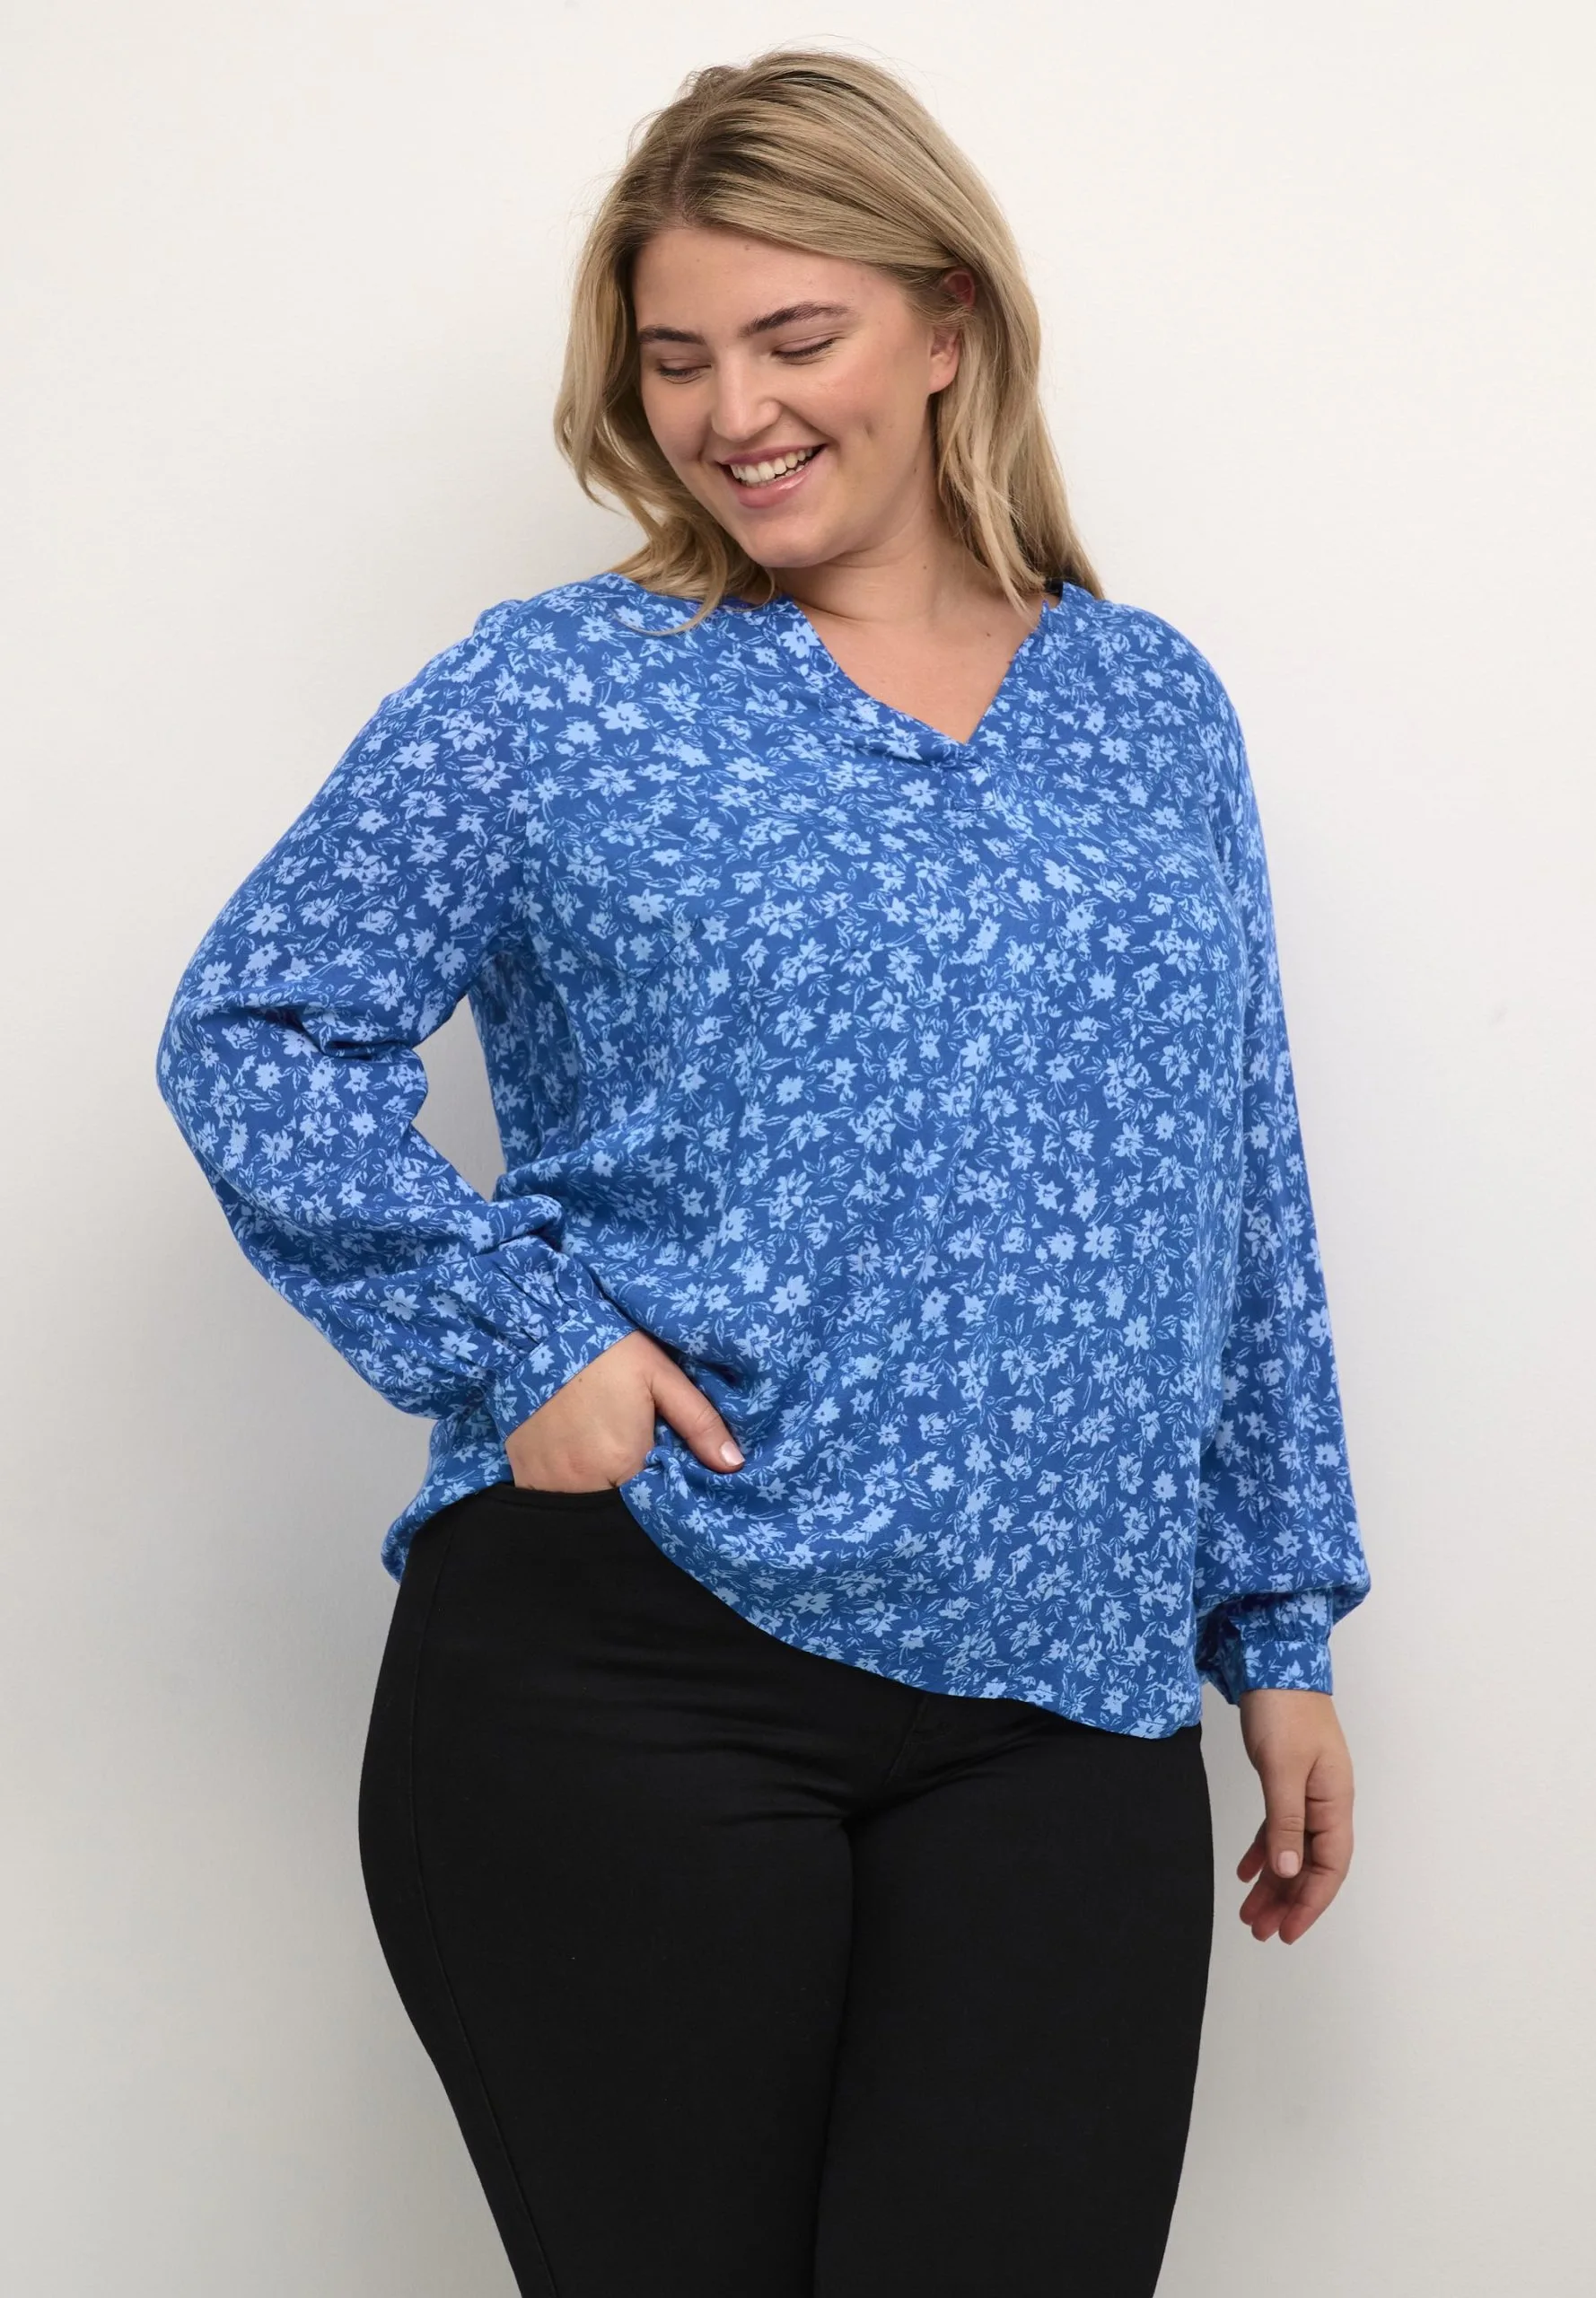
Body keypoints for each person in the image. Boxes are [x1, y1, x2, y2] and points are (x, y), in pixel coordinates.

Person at [155, 47, 1372, 2298]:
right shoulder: (558, 689)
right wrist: (522, 1337)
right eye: (677, 357)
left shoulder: (1145, 703)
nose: (735, 411)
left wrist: (1271, 1619)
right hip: (639, 1663)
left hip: (1069, 1701)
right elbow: (257, 1031)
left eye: (794, 337)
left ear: (947, 322)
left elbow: (1236, 1173)